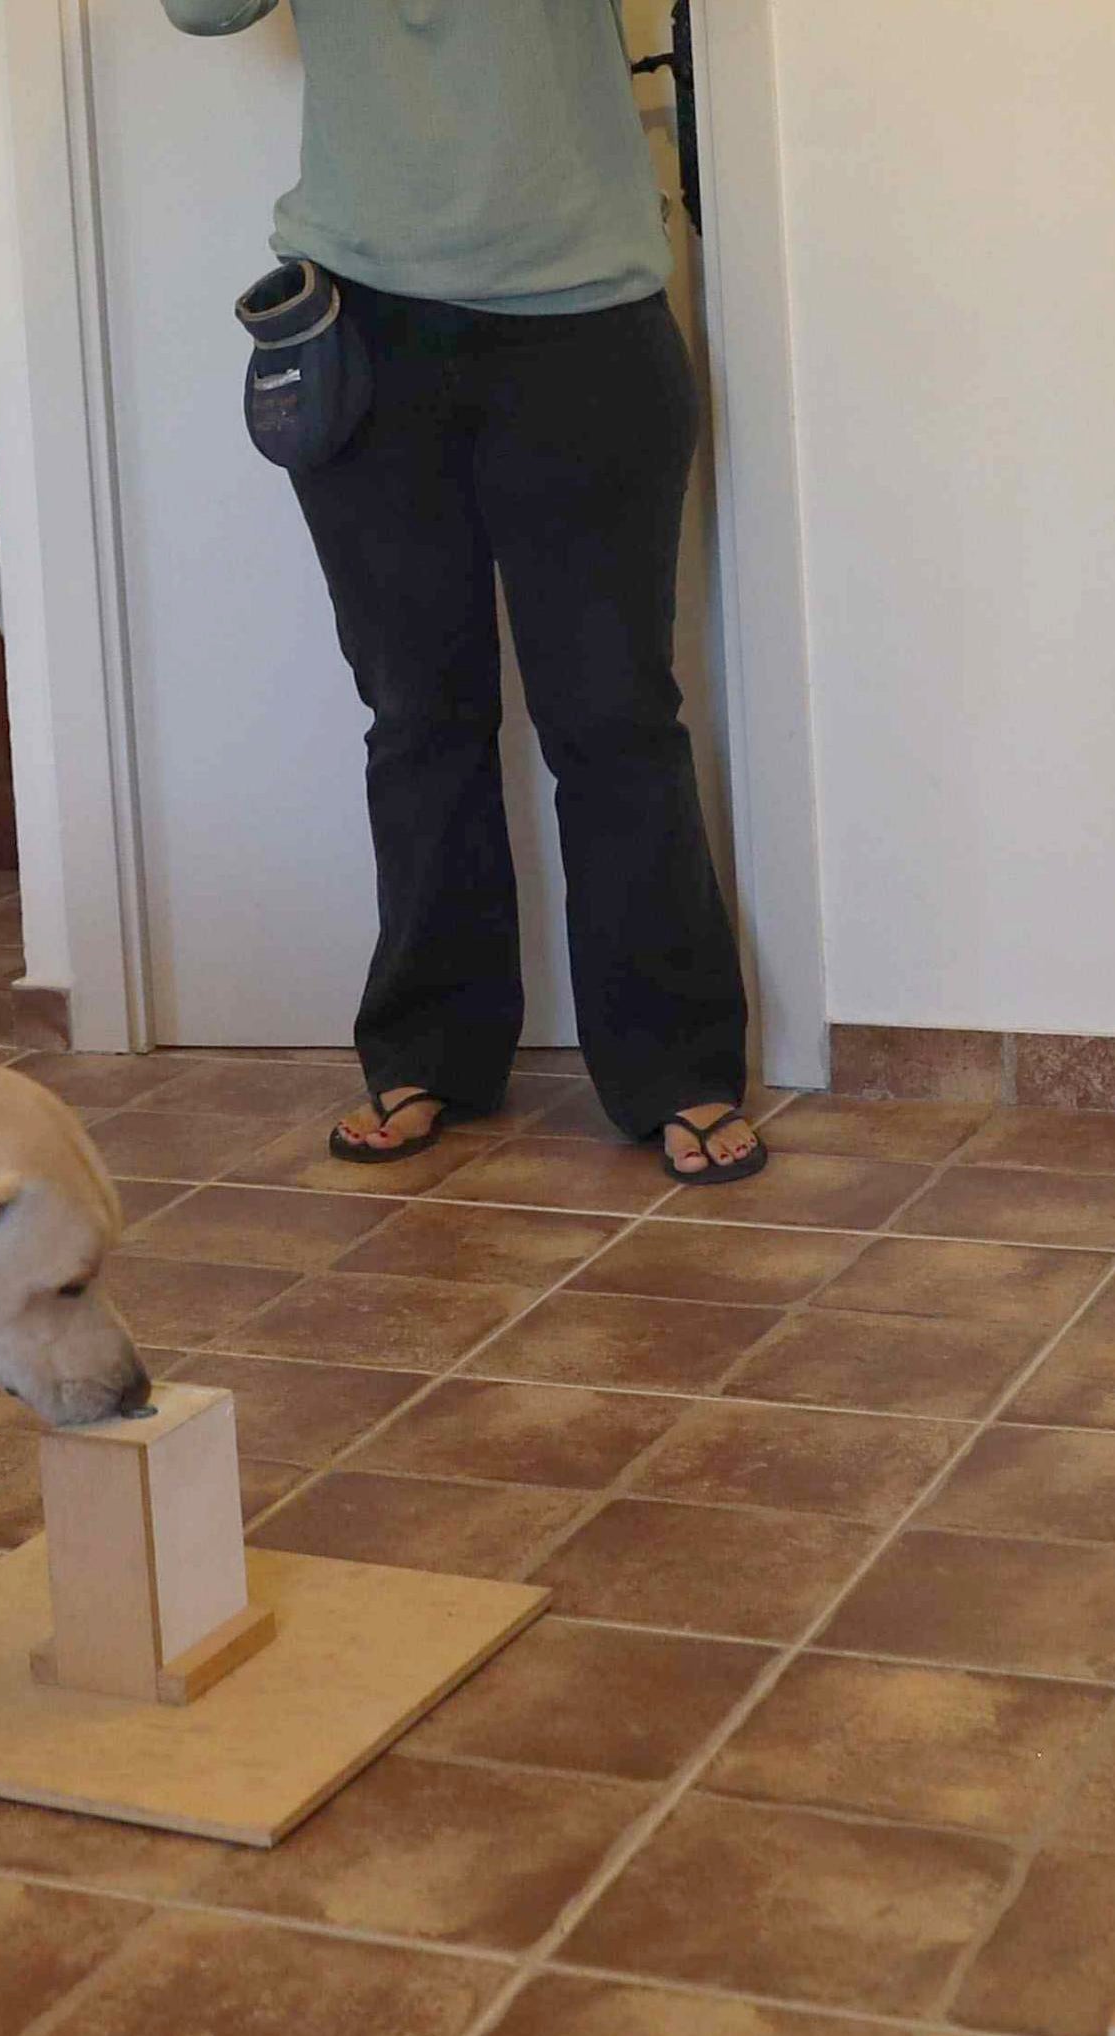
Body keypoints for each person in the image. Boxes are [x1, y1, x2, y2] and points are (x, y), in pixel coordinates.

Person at [165, 0, 762, 1184]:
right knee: (418, 714)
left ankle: (676, 1066)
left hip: (584, 316)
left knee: (614, 719)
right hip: (360, 325)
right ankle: (428, 1050)